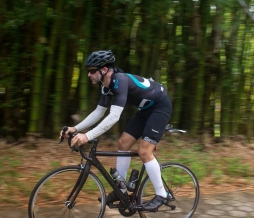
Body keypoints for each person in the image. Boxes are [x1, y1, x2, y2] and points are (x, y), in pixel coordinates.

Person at [60, 50, 172, 211]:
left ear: (104, 70)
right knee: (123, 143)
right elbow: (98, 112)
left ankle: (162, 194)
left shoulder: (119, 80)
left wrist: (87, 136)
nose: (89, 75)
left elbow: (114, 116)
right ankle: (121, 190)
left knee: (144, 151)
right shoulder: (106, 86)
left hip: (160, 106)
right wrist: (76, 128)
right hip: (145, 110)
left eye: (92, 71)